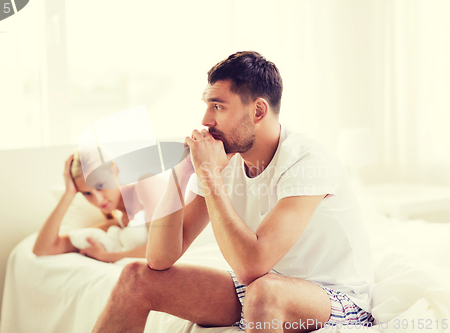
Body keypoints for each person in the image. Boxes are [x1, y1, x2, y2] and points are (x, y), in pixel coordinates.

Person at [92, 51, 375, 332]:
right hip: (261, 290)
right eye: (207, 105)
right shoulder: (224, 161)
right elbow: (159, 258)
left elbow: (251, 266)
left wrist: (211, 175)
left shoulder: (307, 161)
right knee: (135, 277)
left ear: (258, 111)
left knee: (264, 292)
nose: (205, 120)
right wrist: (182, 173)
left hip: (336, 300)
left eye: (218, 107)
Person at [32, 149, 165, 263]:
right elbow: (43, 249)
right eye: (87, 193)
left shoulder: (147, 183)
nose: (98, 200)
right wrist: (68, 194)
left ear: (115, 169)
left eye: (100, 186)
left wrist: (106, 256)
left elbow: (161, 248)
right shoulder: (116, 224)